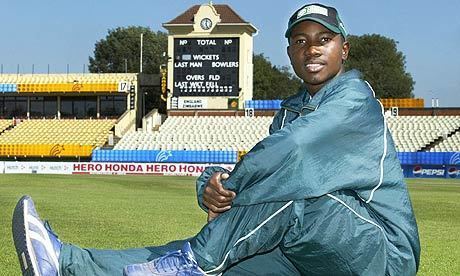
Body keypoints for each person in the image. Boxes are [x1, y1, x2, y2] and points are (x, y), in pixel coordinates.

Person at [12, 3, 420, 276]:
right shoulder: (290, 110)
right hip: (313, 251)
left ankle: (193, 263)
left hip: (381, 253)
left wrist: (233, 189)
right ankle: (66, 264)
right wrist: (210, 186)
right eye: (300, 41)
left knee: (276, 204)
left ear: (343, 49)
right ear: (290, 53)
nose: (311, 48)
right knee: (209, 256)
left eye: (323, 39)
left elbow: (291, 155)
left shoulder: (354, 97)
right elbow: (268, 170)